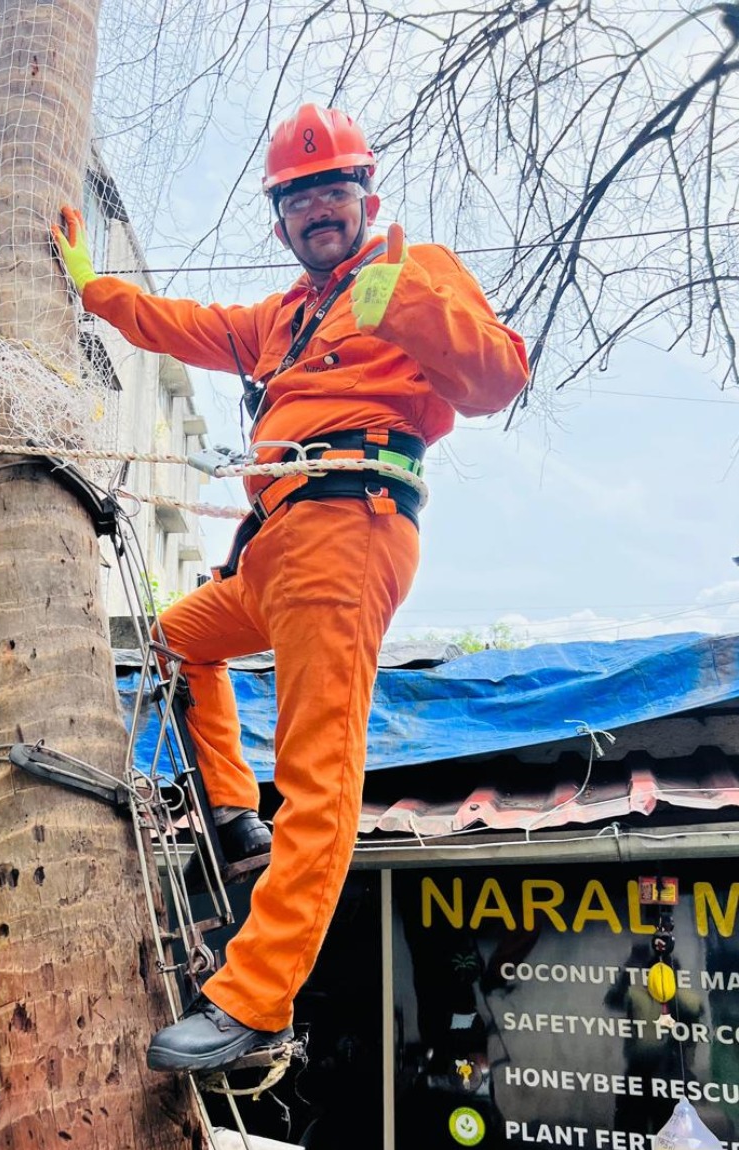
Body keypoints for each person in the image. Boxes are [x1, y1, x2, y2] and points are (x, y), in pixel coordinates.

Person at [53, 103, 529, 1074]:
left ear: (366, 196)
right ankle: (233, 815)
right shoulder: (277, 318)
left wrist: (398, 300)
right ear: (279, 219)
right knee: (178, 637)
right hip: (270, 551)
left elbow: (496, 377)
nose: (318, 207)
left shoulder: (412, 269)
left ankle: (257, 999)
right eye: (298, 195)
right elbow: (180, 325)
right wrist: (94, 289)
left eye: (333, 188)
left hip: (345, 529)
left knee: (318, 775)